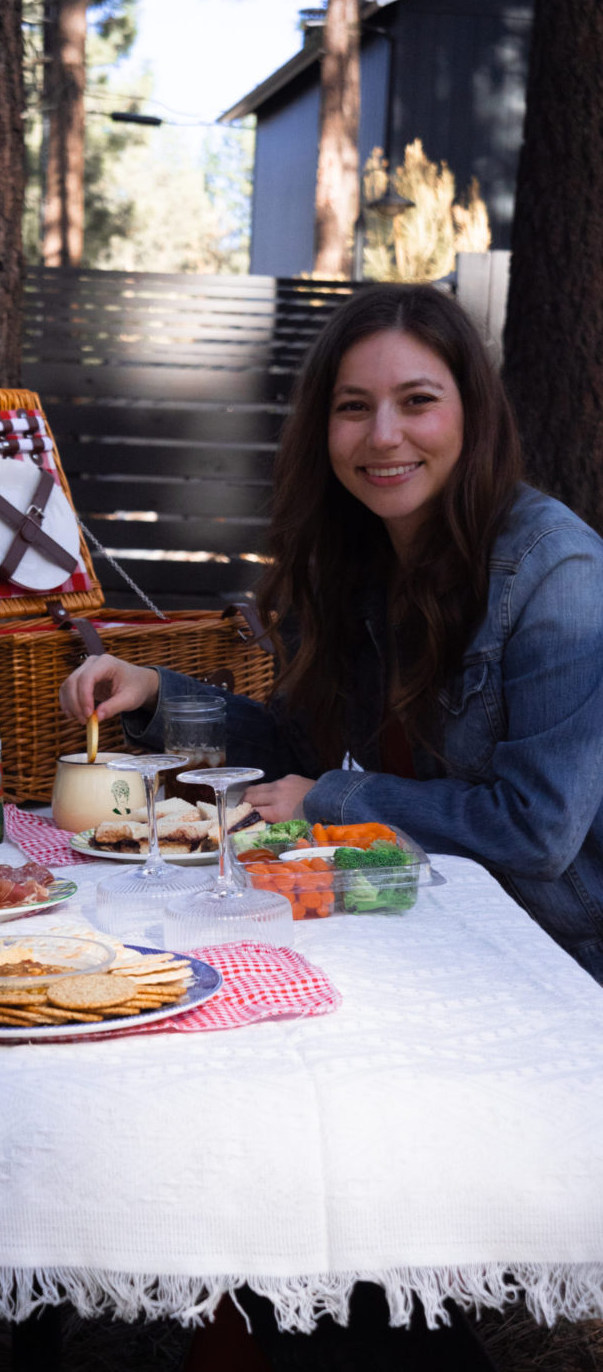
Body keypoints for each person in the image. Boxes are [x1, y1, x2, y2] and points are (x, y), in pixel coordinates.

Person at [61, 283, 603, 983]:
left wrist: (331, 799)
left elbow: (535, 830)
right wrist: (156, 696)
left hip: (555, 959)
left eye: (417, 401)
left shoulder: (555, 569)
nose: (383, 435)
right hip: (404, 924)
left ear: (475, 412)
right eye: (353, 407)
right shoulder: (353, 556)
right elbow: (300, 750)